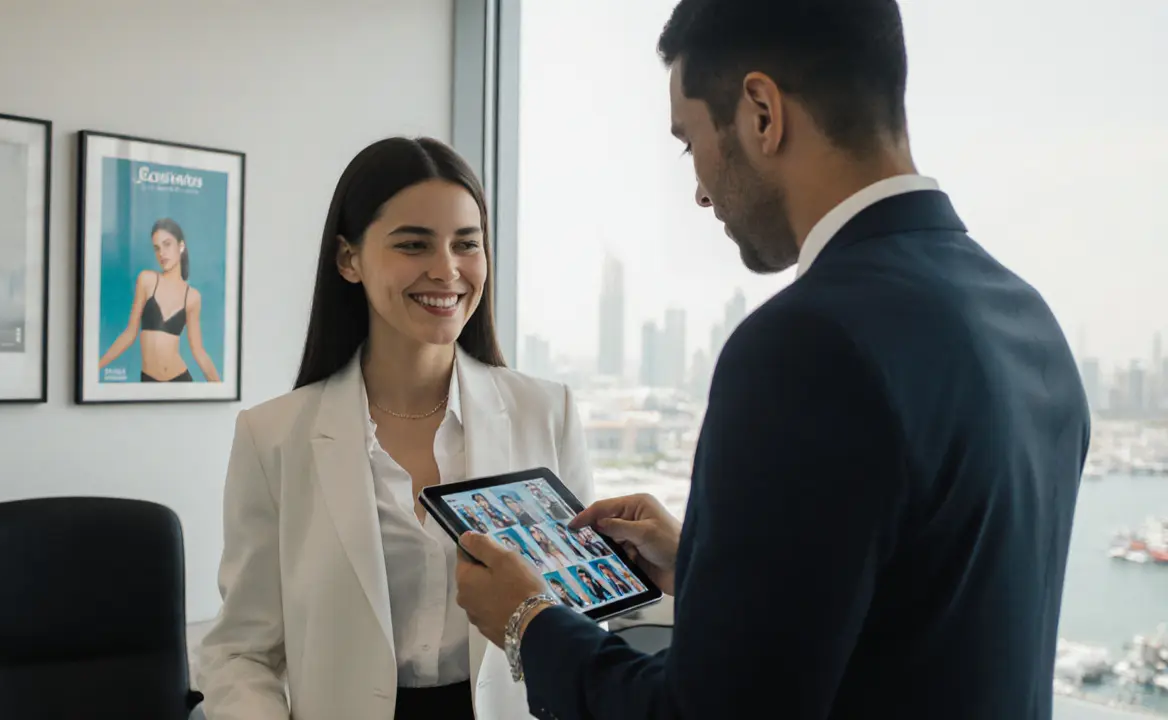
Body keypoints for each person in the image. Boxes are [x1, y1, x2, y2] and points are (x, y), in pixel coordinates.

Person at [453, 1, 1089, 718]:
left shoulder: (805, 346)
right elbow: (918, 618)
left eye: (689, 141)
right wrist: (705, 567)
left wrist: (528, 622)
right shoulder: (1027, 317)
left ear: (761, 112)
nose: (698, 191)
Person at [195, 136, 595, 720]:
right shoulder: (273, 436)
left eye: (467, 244)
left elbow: (582, 611)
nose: (447, 270)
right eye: (413, 244)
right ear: (348, 259)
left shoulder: (547, 413)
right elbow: (240, 653)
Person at [97, 218, 221, 382]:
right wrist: (95, 367)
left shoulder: (192, 297)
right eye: (157, 248)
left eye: (167, 244)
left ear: (181, 246)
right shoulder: (147, 280)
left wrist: (221, 389)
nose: (161, 253)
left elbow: (198, 351)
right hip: (149, 379)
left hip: (179, 380)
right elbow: (129, 334)